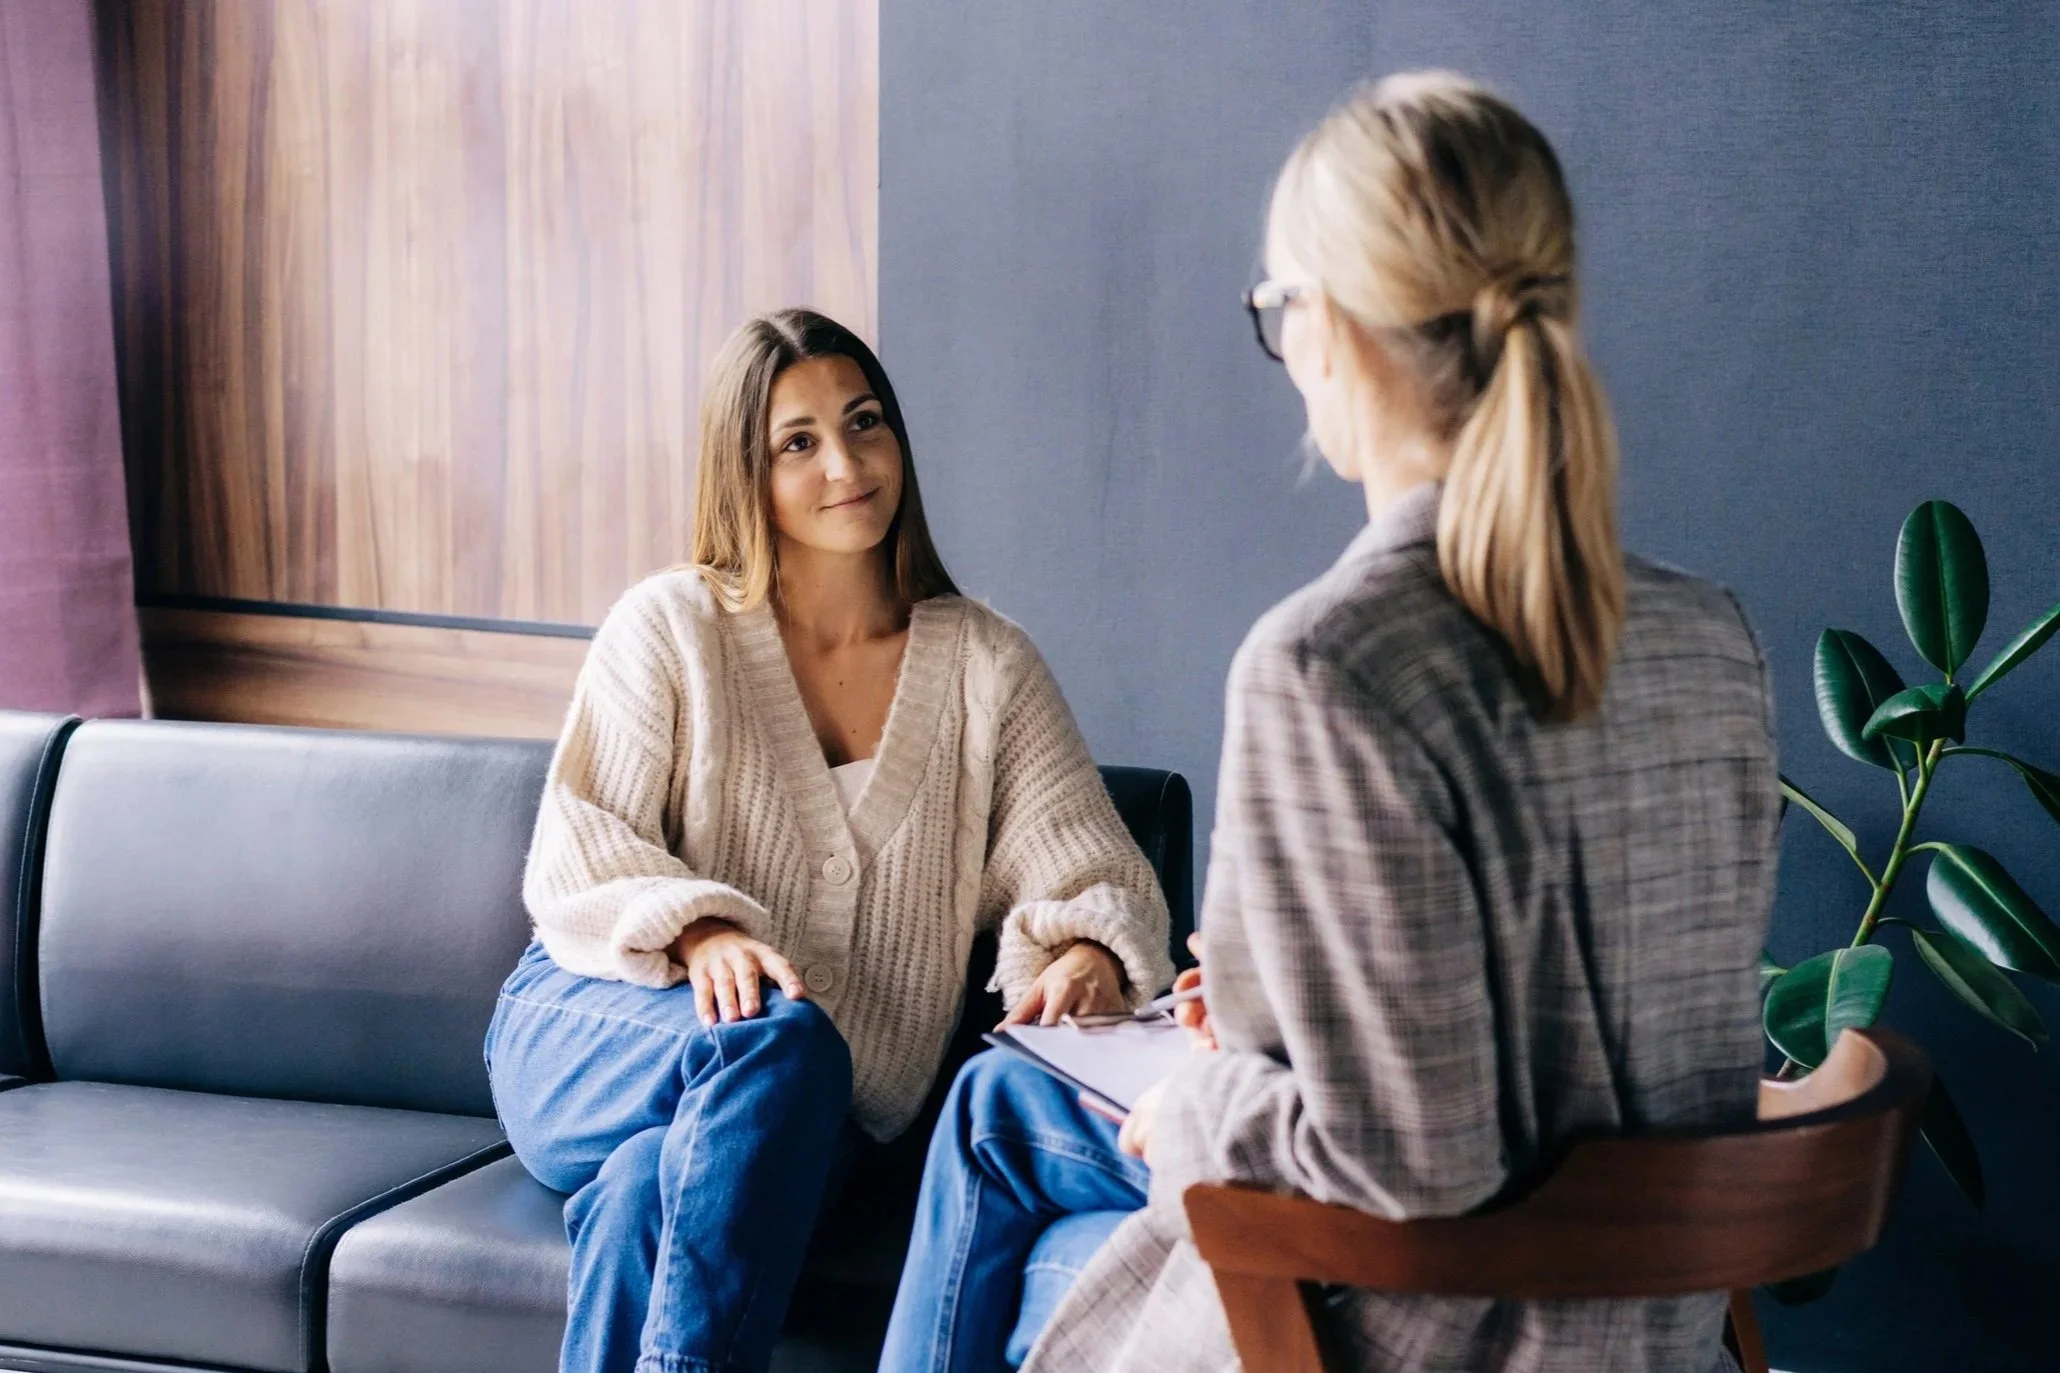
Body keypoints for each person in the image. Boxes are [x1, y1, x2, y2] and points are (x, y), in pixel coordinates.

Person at [880, 72, 1779, 1373]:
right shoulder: (1714, 641)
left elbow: (1414, 1157)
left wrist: (1208, 1099)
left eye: (1280, 305)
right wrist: (1264, 1026)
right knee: (1005, 1107)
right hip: (1651, 1334)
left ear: (1334, 328)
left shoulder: (1328, 664)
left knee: (1033, 1164)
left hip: (1420, 1327)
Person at [484, 308, 1174, 1373]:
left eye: (864, 423)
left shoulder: (987, 666)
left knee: (644, 1189)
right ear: (743, 473)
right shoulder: (669, 626)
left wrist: (1083, 950)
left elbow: (1085, 864)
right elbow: (579, 847)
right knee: (785, 1038)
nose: (844, 463)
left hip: (821, 1112)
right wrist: (700, 929)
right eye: (796, 441)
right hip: (598, 1028)